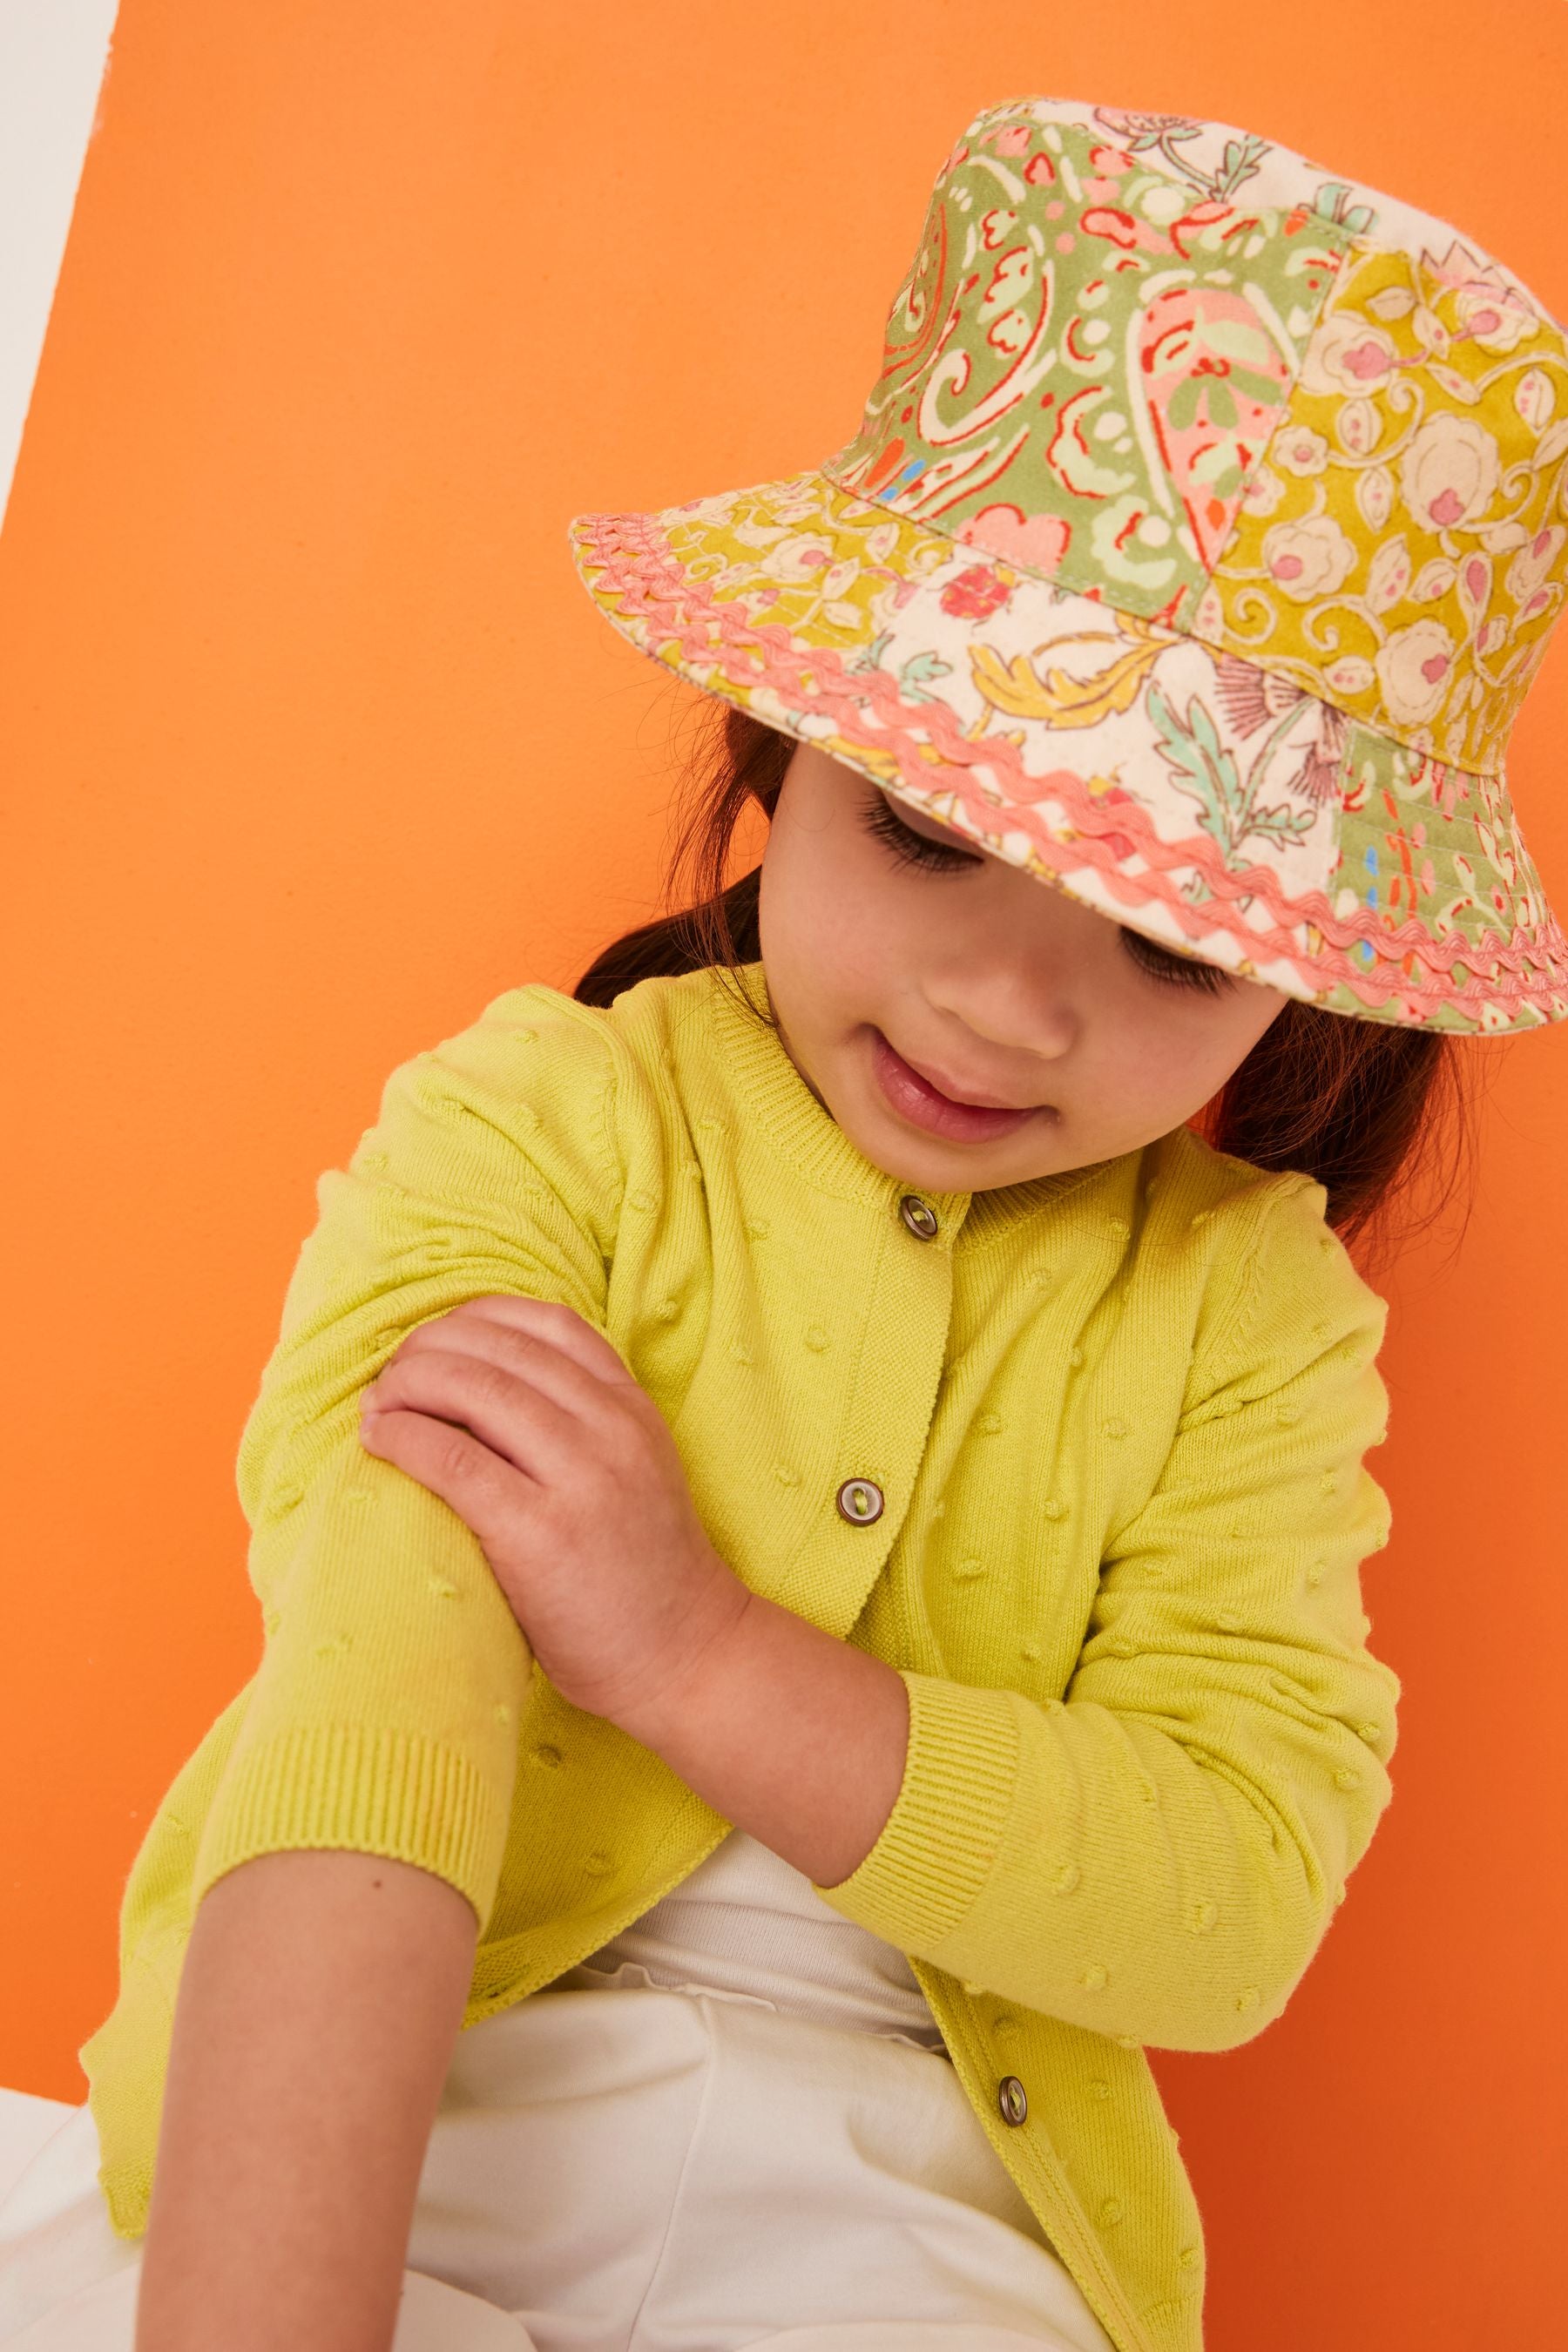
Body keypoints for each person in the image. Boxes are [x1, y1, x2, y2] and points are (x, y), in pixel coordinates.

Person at [3, 89, 1565, 2352]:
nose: (1006, 1000)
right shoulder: (551, 1122)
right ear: (778, 748)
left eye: (1172, 938)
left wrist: (699, 1656)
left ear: (1304, 991)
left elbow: (1225, 1897)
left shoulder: (1251, 1313)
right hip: (387, 2096)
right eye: (935, 825)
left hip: (911, 2220)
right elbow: (370, 1719)